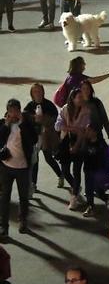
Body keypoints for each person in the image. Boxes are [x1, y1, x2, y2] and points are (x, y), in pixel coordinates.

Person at [0, 99, 36, 237]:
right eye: (11, 111)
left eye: (16, 110)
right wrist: (6, 125)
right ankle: (4, 227)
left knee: (23, 197)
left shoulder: (26, 124)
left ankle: (23, 221)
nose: (14, 113)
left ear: (20, 111)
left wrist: (22, 124)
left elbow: (32, 140)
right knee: (4, 197)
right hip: (6, 167)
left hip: (22, 167)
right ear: (8, 112)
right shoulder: (3, 124)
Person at [26, 83, 64, 194]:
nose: (37, 93)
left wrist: (44, 119)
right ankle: (33, 183)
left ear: (43, 92)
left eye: (39, 91)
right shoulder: (29, 106)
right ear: (32, 94)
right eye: (35, 92)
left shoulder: (49, 105)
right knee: (35, 160)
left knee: (48, 158)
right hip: (35, 137)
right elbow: (25, 117)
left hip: (47, 137)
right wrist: (33, 118)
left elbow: (56, 119)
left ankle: (60, 175)